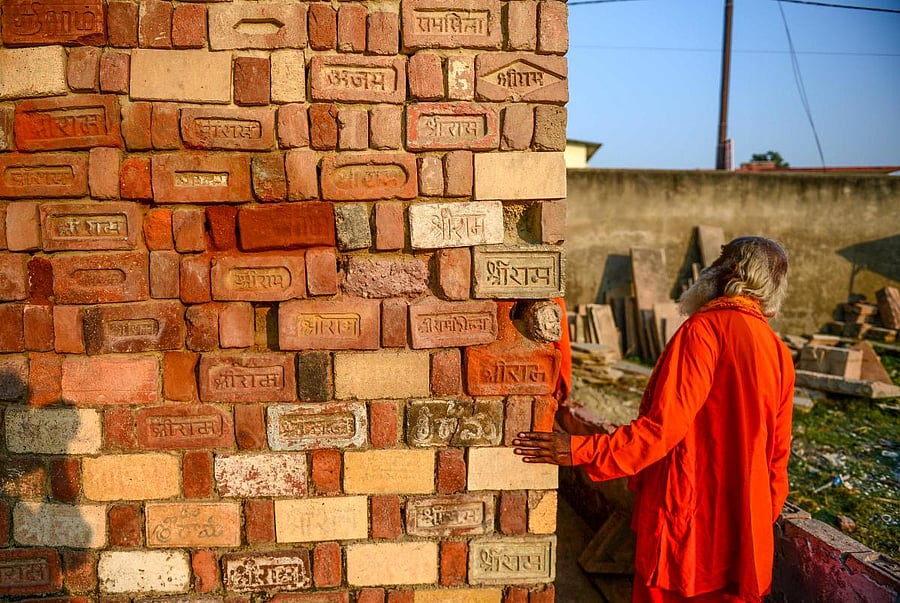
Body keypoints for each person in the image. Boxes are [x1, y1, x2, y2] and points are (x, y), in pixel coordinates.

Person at [513, 236, 795, 603]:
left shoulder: (704, 332)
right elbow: (777, 461)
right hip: (742, 537)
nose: (710, 267)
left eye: (720, 259)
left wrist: (579, 450)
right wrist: (751, 522)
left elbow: (662, 429)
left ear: (734, 273)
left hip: (689, 532)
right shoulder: (778, 352)